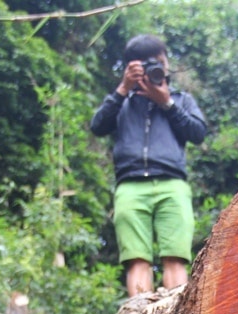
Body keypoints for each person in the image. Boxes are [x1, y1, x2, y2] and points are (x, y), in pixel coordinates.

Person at [90, 34, 207, 297]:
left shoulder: (181, 99)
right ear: (132, 68)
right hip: (130, 184)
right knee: (136, 259)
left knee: (176, 255)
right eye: (145, 64)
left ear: (166, 63)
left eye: (159, 62)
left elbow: (198, 133)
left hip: (172, 183)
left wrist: (166, 102)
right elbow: (97, 125)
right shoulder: (123, 102)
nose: (155, 68)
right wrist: (122, 89)